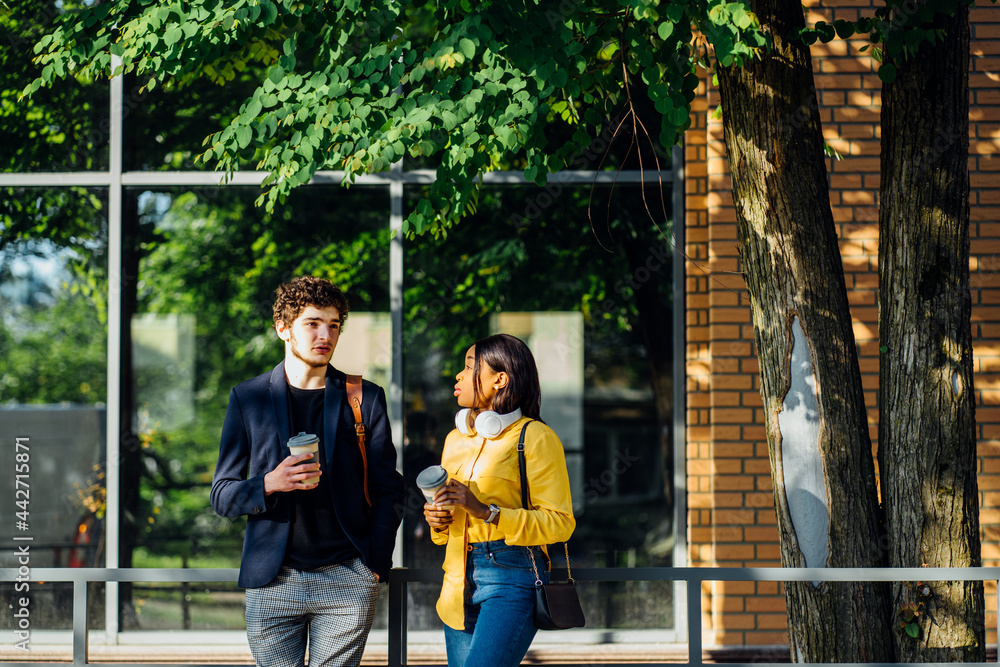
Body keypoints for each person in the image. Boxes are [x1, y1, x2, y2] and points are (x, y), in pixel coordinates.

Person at [211, 276, 404, 667]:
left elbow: (390, 489)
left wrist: (374, 565)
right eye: (313, 323)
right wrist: (270, 483)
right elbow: (222, 496)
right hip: (272, 580)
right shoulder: (248, 398)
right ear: (283, 329)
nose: (325, 334)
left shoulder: (364, 397)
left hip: (348, 577)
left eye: (334, 325)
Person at [423, 333, 575, 667]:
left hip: (511, 575)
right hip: (457, 581)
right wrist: (438, 521)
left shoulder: (535, 438)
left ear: (499, 379)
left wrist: (485, 512)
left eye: (468, 366)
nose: (458, 376)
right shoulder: (454, 440)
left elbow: (560, 523)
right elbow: (446, 529)